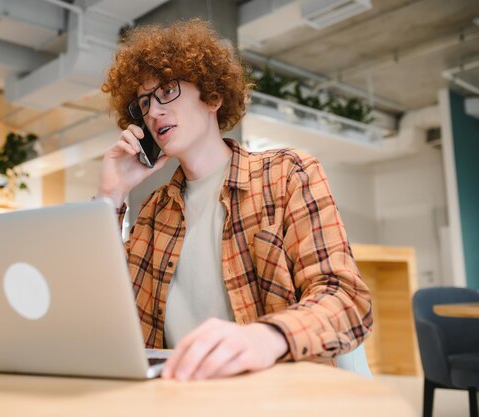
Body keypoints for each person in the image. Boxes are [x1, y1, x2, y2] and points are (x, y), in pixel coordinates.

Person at [98, 19, 372, 381]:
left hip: (275, 395)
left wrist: (265, 337)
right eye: (144, 103)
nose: (153, 112)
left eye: (166, 92)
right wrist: (110, 195)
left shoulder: (287, 174)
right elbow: (106, 317)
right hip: (179, 397)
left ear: (212, 96)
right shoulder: (153, 212)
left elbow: (346, 298)